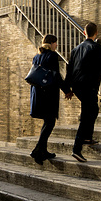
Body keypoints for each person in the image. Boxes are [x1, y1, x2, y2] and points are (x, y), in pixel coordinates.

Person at [65, 22, 101, 162]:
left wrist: (68, 89)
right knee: (89, 114)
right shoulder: (97, 47)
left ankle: (87, 138)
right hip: (88, 85)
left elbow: (69, 71)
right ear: (96, 33)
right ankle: (76, 149)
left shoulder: (75, 49)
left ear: (84, 33)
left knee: (91, 110)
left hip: (77, 86)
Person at [29, 34, 71, 164]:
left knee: (47, 121)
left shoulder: (36, 57)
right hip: (48, 94)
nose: (57, 46)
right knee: (50, 122)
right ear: (51, 43)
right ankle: (37, 150)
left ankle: (42, 150)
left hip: (38, 93)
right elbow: (56, 76)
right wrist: (67, 90)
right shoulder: (52, 56)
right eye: (55, 43)